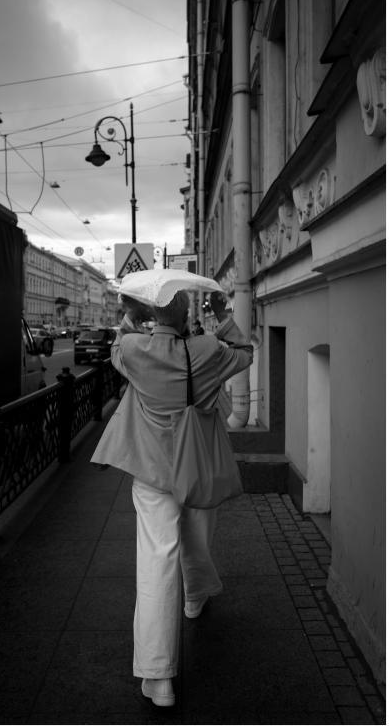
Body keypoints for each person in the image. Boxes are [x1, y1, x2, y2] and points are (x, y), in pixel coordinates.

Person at [91, 289, 253, 708]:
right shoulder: (207, 348)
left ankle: (158, 677)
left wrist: (133, 314)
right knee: (198, 534)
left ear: (152, 314)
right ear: (186, 317)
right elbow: (245, 352)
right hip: (199, 462)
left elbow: (115, 348)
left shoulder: (133, 349)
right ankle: (195, 595)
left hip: (151, 468)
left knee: (156, 559)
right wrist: (222, 314)